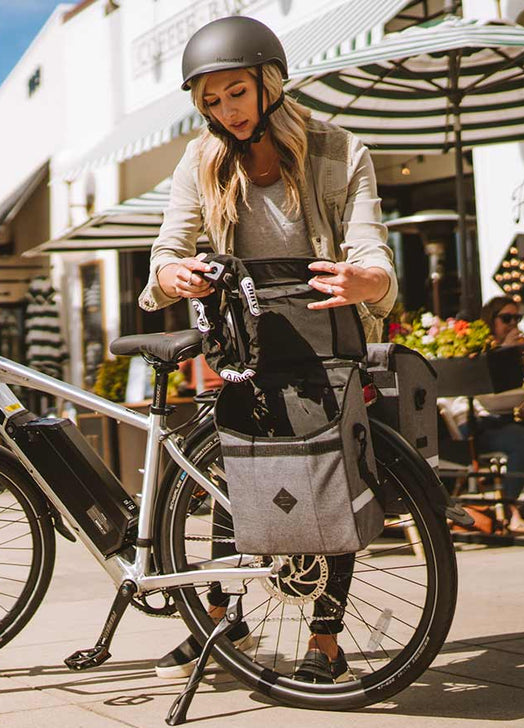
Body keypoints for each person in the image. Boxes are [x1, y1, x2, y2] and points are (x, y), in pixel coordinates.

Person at [141, 16, 397, 684]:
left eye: (236, 93)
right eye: (211, 101)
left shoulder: (340, 150)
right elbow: (167, 251)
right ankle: (225, 622)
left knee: (330, 477)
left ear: (269, 84)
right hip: (244, 337)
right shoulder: (200, 159)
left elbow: (370, 248)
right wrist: (173, 275)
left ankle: (327, 639)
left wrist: (369, 278)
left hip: (324, 330)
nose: (226, 111)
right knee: (234, 474)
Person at [441, 296, 524, 535]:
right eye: (506, 318)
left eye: (517, 318)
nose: (512, 323)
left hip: (513, 419)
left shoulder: (521, 351)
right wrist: (504, 353)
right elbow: (485, 396)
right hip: (481, 423)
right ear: (491, 320)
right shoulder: (477, 350)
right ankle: (508, 509)